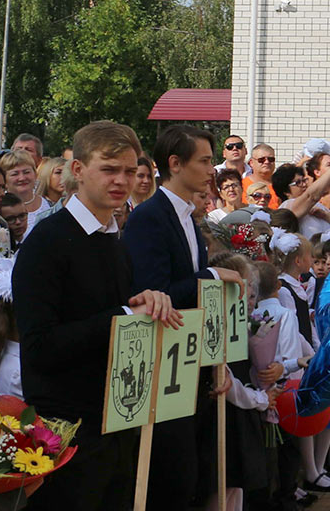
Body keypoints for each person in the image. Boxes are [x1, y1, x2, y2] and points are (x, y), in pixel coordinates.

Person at [14, 121, 180, 510]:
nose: (122, 180)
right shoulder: (47, 241)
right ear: (78, 170)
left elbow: (107, 312)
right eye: (109, 169)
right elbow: (39, 346)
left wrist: (144, 304)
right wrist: (123, 314)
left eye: (130, 170)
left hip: (115, 424)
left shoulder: (114, 242)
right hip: (66, 437)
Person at [125, 125, 243, 511]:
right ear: (175, 164)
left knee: (194, 477)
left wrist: (215, 361)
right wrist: (210, 275)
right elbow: (152, 294)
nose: (212, 170)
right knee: (170, 481)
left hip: (190, 366)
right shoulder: (149, 218)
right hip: (162, 370)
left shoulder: (188, 218)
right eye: (205, 161)